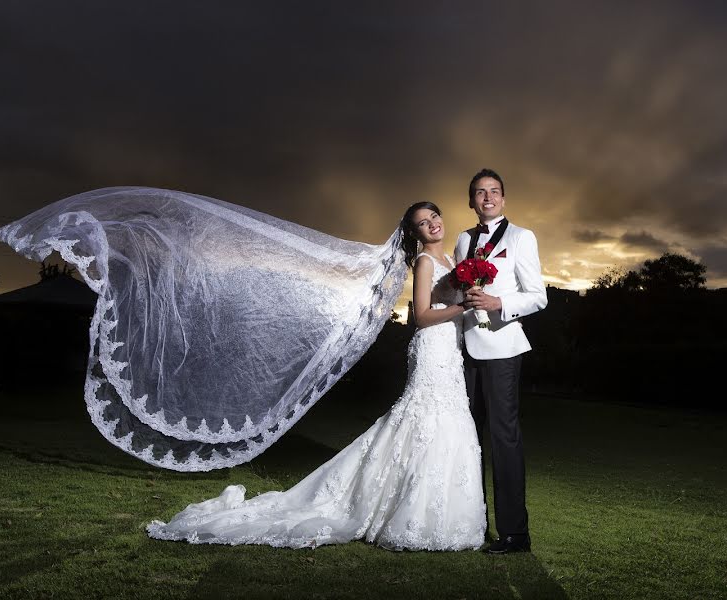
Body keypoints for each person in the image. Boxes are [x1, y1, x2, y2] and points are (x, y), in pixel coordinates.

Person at [146, 202, 487, 550]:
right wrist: (464, 306)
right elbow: (422, 316)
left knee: (445, 418)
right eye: (422, 223)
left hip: (451, 349)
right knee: (426, 416)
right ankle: (406, 513)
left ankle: (439, 512)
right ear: (414, 234)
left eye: (434, 217)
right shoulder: (427, 263)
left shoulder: (452, 262)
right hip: (433, 346)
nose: (432, 224)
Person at [455, 169, 547, 554]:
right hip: (464, 349)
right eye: (480, 192)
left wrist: (500, 304)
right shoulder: (462, 240)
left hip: (503, 346)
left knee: (503, 438)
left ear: (504, 199)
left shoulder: (521, 237)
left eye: (494, 192)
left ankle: (515, 534)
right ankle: (472, 524)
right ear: (472, 201)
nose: (487, 197)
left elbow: (538, 296)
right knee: (466, 440)